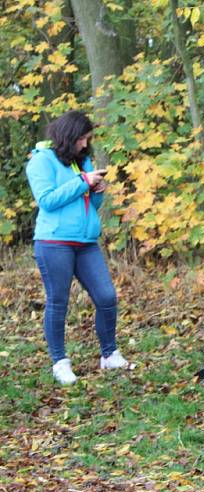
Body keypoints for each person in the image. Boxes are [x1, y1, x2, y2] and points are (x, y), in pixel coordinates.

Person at [26, 110, 129, 386]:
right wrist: (82, 182)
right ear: (68, 136)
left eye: (88, 139)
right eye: (81, 139)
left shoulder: (81, 161)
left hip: (86, 243)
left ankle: (109, 354)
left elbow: (89, 207)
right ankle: (60, 363)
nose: (85, 145)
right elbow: (47, 201)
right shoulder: (41, 161)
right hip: (54, 243)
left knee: (107, 297)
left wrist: (97, 193)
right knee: (58, 302)